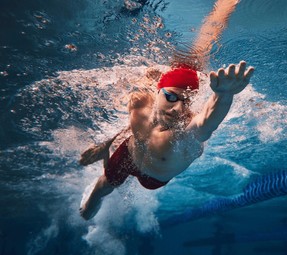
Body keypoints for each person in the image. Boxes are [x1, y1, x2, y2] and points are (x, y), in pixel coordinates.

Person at [79, 0, 255, 220]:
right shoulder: (140, 102)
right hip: (129, 154)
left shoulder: (187, 133)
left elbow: (208, 122)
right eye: (171, 97)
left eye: (187, 102)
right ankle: (86, 210)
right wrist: (105, 145)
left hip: (153, 178)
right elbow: (135, 128)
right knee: (103, 188)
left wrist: (224, 95)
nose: (178, 108)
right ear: (157, 91)